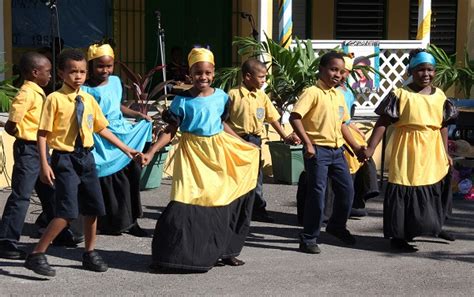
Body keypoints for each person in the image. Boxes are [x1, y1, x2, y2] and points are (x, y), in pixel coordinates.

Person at [141, 48, 259, 272]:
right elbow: (170, 130)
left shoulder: (222, 97)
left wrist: (243, 144)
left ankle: (224, 251)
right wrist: (152, 151)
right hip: (191, 155)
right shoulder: (182, 102)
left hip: (217, 152)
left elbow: (222, 124)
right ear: (190, 73)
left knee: (220, 200)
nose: (202, 77)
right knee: (185, 201)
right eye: (197, 73)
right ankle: (172, 256)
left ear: (213, 73)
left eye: (207, 73)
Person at [24, 49, 138, 277]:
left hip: (86, 157)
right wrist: (45, 164)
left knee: (93, 208)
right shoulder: (54, 99)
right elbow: (43, 134)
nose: (78, 76)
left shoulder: (87, 98)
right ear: (62, 74)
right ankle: (37, 253)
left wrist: (126, 148)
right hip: (64, 159)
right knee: (67, 212)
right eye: (73, 71)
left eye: (82, 72)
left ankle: (89, 252)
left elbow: (101, 127)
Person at [359, 49, 457, 252]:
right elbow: (383, 122)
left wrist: (446, 151)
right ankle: (399, 236)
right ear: (411, 71)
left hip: (433, 147)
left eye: (430, 69)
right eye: (421, 70)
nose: (426, 74)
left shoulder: (439, 96)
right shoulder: (400, 95)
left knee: (435, 184)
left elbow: (443, 124)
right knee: (406, 185)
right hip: (408, 148)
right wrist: (370, 147)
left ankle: (435, 226)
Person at [289, 51, 363, 254]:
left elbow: (343, 125)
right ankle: (309, 237)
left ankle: (337, 226)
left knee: (347, 191)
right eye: (333, 69)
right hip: (318, 152)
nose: (337, 74)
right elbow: (295, 117)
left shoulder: (338, 95)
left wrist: (356, 148)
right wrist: (308, 144)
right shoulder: (312, 92)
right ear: (321, 69)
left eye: (340, 71)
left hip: (337, 151)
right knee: (317, 194)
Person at [82, 43, 153, 237]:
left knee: (131, 175)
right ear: (90, 66)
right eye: (100, 66)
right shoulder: (85, 90)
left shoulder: (115, 81)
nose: (105, 70)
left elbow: (118, 106)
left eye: (109, 66)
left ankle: (131, 221)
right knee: (110, 179)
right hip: (102, 138)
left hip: (122, 132)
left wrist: (138, 115)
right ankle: (111, 222)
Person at [226, 58, 300, 223]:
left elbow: (273, 118)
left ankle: (258, 210)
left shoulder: (262, 96)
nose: (264, 81)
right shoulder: (233, 95)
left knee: (256, 177)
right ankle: (234, 211)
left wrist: (285, 136)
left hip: (255, 140)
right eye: (261, 77)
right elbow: (223, 120)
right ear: (247, 77)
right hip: (237, 139)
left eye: (265, 77)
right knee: (236, 176)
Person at [0, 52, 57, 260]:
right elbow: (12, 124)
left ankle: (57, 231)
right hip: (28, 149)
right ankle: (6, 240)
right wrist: (22, 136)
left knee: (49, 190)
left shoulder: (37, 91)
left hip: (40, 148)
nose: (50, 75)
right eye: (47, 71)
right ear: (35, 72)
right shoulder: (26, 93)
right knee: (22, 195)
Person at [336, 56, 379, 217]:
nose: (340, 75)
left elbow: (347, 119)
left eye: (344, 72)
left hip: (348, 129)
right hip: (339, 133)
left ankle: (359, 199)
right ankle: (344, 204)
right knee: (350, 164)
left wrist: (357, 130)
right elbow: (339, 121)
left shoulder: (348, 92)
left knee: (364, 160)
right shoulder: (333, 93)